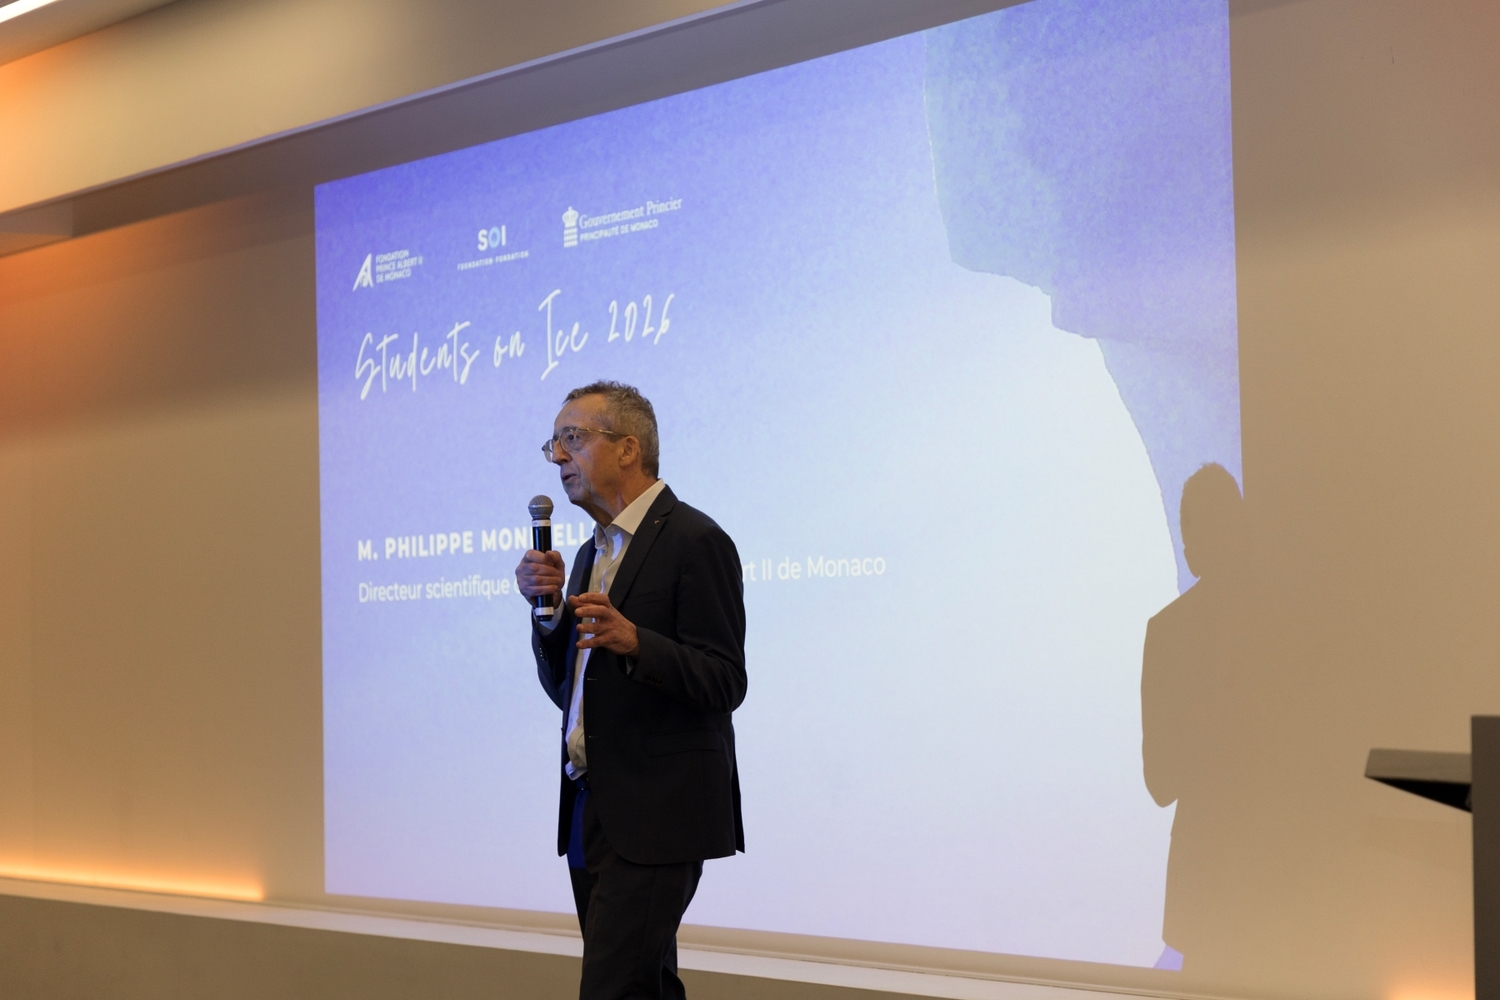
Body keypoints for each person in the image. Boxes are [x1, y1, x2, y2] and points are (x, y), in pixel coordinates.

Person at [514, 380, 747, 1000]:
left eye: (572, 438)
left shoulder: (695, 541)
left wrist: (637, 641)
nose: (558, 456)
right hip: (591, 809)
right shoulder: (590, 554)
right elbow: (570, 689)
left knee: (612, 990)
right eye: (553, 443)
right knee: (644, 988)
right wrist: (547, 614)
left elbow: (726, 679)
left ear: (628, 448)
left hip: (657, 813)